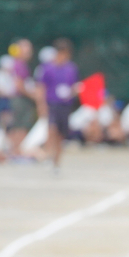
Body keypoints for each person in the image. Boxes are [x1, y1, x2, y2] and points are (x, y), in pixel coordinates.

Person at [38, 38, 80, 172]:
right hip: (52, 103)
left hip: (65, 105)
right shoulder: (47, 68)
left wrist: (72, 91)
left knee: (61, 135)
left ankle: (57, 162)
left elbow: (73, 86)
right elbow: (41, 87)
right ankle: (48, 156)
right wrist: (41, 104)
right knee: (52, 130)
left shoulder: (71, 68)